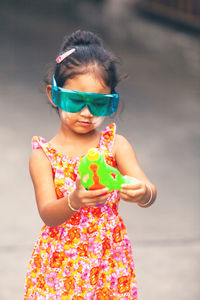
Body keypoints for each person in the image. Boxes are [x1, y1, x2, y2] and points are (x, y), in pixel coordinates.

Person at [24, 30, 157, 300]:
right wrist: (74, 199)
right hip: (59, 267)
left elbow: (149, 192)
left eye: (98, 104)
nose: (86, 113)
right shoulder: (43, 156)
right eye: (76, 101)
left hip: (108, 262)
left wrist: (143, 192)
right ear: (55, 96)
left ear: (111, 102)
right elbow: (48, 214)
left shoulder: (116, 146)